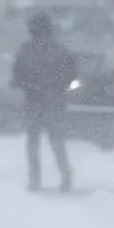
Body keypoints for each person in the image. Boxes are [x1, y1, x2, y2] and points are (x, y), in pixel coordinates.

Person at [11, 13, 77, 192]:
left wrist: (28, 85)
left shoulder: (26, 50)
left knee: (33, 143)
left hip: (34, 101)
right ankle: (65, 176)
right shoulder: (59, 50)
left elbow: (17, 76)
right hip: (54, 101)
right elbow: (71, 74)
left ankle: (35, 179)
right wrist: (58, 87)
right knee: (57, 142)